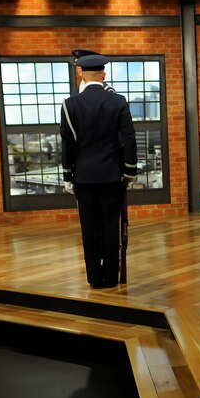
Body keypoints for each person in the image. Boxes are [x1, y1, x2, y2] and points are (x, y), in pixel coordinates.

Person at [60, 54, 138, 289]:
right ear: (104, 75)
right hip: (111, 175)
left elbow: (68, 143)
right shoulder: (118, 101)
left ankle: (95, 277)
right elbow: (129, 139)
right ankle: (112, 277)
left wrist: (67, 175)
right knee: (111, 226)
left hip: (83, 176)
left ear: (82, 75)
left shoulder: (69, 104)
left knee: (89, 227)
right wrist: (130, 172)